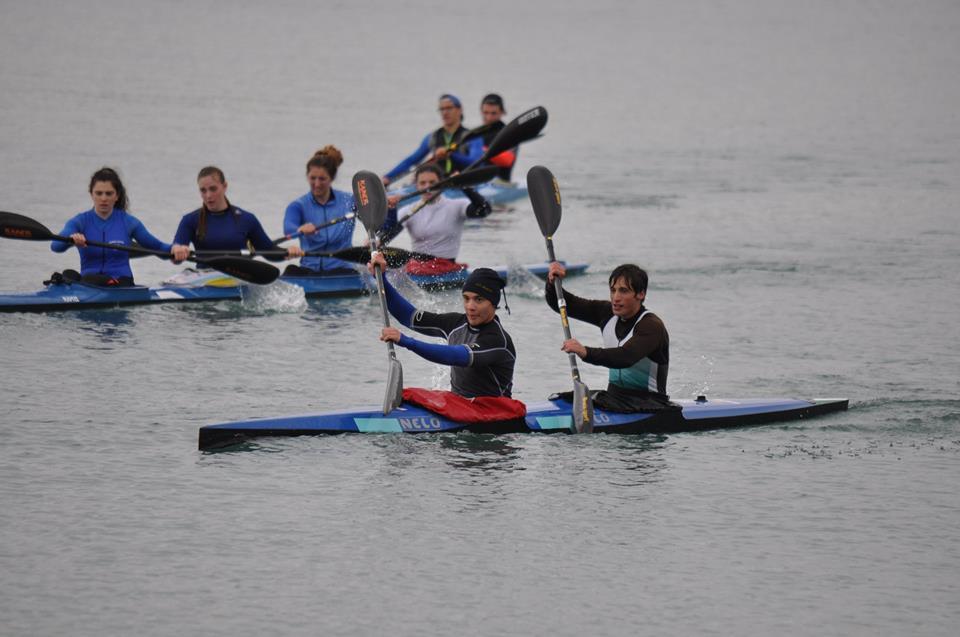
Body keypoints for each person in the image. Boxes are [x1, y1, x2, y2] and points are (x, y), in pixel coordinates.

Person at [368, 251, 516, 399]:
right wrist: (381, 278)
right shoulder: (455, 323)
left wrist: (406, 341)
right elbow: (409, 317)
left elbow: (456, 356)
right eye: (466, 298)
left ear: (493, 303)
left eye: (479, 300)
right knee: (408, 397)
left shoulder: (497, 340)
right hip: (461, 406)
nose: (470, 306)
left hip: (495, 412)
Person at [545, 262, 675, 412]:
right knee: (563, 399)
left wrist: (585, 351)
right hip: (613, 398)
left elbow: (625, 357)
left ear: (641, 294)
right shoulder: (607, 313)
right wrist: (552, 281)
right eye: (613, 290)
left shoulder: (651, 326)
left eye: (623, 291)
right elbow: (564, 304)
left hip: (650, 402)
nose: (616, 298)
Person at [50, 167, 171, 286]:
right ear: (91, 194)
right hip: (88, 283)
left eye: (109, 194)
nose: (103, 198)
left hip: (120, 282)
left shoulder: (129, 222)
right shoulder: (80, 222)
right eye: (99, 193)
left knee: (87, 279)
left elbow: (157, 247)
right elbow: (55, 246)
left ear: (117, 195)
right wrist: (71, 240)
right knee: (67, 274)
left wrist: (176, 249)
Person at [171, 166, 300, 264]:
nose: (208, 195)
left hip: (240, 276)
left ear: (224, 186)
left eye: (213, 189)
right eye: (203, 190)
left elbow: (268, 251)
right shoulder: (190, 220)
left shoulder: (246, 219)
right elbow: (176, 250)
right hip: (204, 280)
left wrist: (287, 252)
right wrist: (177, 251)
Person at [381, 163, 490, 275]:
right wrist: (391, 210)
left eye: (432, 183)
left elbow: (484, 210)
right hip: (416, 265)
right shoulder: (408, 210)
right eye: (423, 183)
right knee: (381, 255)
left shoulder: (457, 206)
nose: (428, 187)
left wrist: (464, 185)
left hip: (445, 266)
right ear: (417, 186)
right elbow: (386, 235)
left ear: (442, 184)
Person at [282, 146, 357, 275]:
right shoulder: (298, 205)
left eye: (322, 179)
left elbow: (374, 217)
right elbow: (289, 228)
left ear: (331, 179)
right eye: (312, 178)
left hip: (343, 270)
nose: (317, 184)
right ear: (307, 177)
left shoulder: (349, 201)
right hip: (309, 269)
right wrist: (299, 230)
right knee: (290, 271)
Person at [381, 94, 483, 185]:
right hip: (437, 185)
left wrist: (451, 155)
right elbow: (411, 161)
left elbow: (476, 163)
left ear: (460, 110)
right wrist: (387, 177)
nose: (445, 112)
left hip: (461, 183)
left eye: (449, 108)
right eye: (442, 109)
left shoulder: (472, 137)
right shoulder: (432, 137)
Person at [478, 93, 517, 181]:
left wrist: (481, 150)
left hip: (500, 184)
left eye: (493, 113)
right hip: (478, 183)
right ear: (481, 112)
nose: (489, 117)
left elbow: (507, 161)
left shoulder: (510, 133)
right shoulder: (475, 134)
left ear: (502, 112)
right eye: (486, 113)